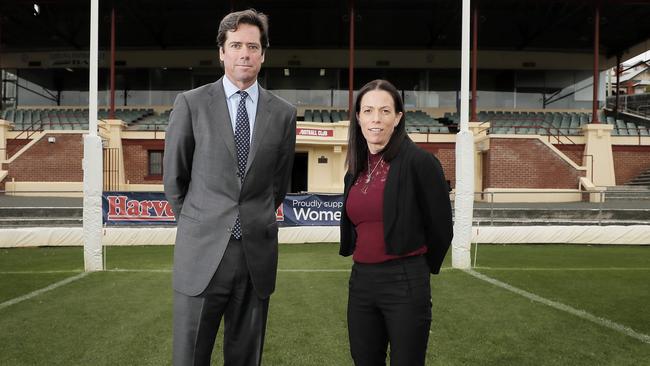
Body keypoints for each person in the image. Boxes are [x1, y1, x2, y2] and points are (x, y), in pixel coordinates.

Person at [163, 9, 297, 366]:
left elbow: (278, 186)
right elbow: (174, 180)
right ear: (221, 51)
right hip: (202, 254)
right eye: (235, 45)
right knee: (190, 358)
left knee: (245, 358)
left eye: (252, 46)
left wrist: (250, 219)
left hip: (256, 257)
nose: (244, 53)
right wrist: (202, 221)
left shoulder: (283, 113)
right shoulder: (190, 104)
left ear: (263, 54)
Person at [339, 79, 453, 366]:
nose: (375, 119)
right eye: (368, 111)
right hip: (362, 282)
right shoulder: (356, 166)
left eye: (385, 111)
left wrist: (414, 271)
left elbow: (441, 227)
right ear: (358, 117)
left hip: (405, 280)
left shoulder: (420, 163)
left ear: (398, 117)